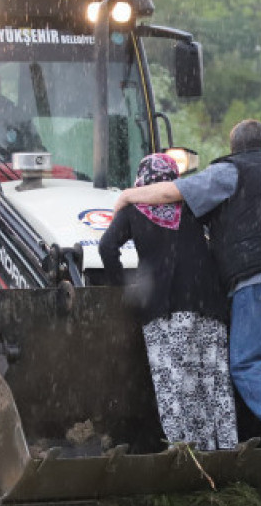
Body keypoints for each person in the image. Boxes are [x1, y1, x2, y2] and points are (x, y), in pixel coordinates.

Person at [114, 120, 261, 449]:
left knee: (246, 363)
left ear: (232, 148)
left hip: (258, 280)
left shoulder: (230, 171)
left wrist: (128, 196)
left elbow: (173, 192)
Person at [99, 153, 238, 451]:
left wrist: (124, 288)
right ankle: (224, 451)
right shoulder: (195, 205)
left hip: (164, 308)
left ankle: (188, 455)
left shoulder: (133, 210)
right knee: (211, 382)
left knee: (174, 384)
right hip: (209, 305)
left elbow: (107, 246)